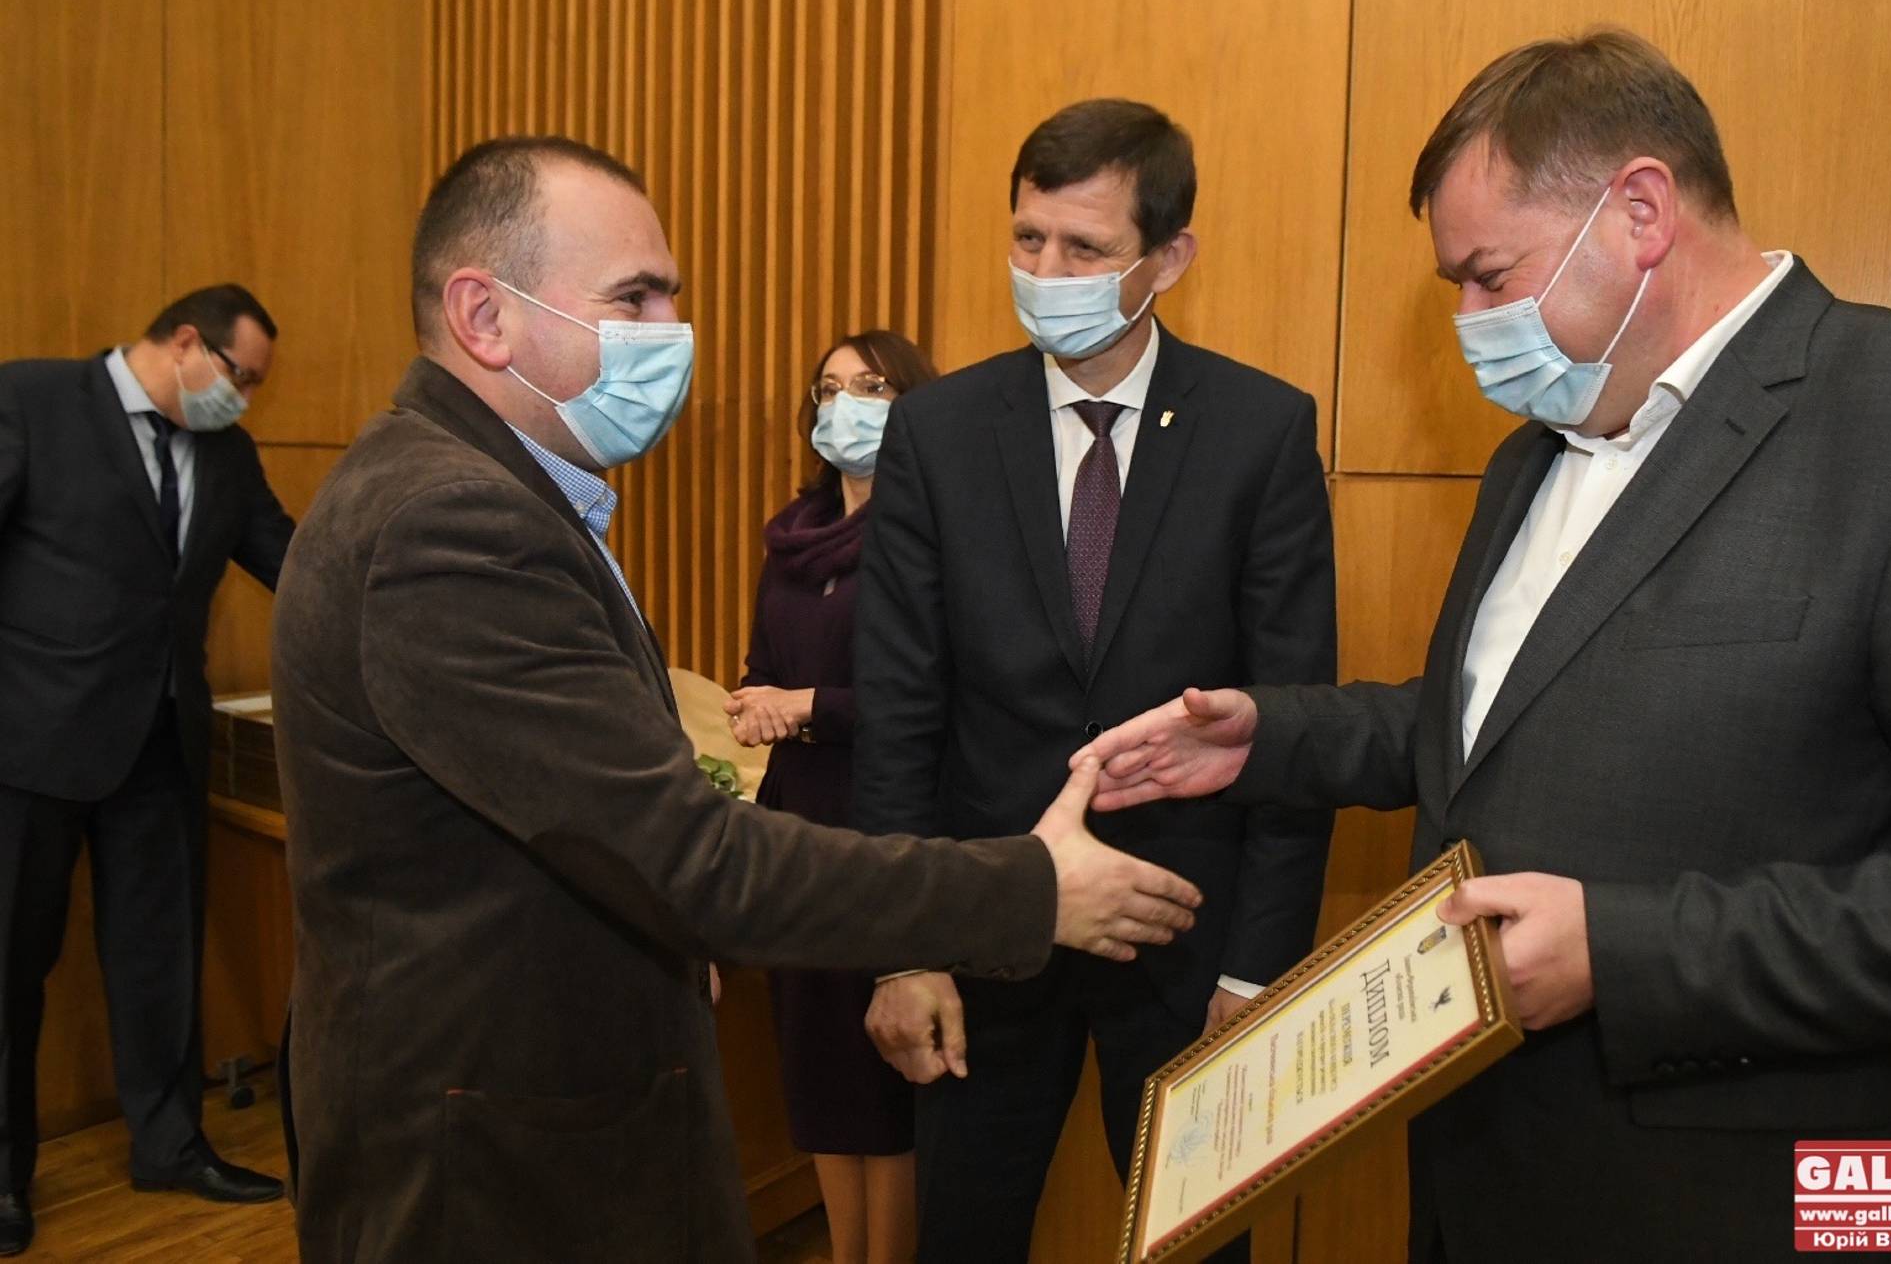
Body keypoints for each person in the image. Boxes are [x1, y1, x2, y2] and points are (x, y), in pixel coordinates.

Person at [1078, 30, 1891, 1263]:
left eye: (1487, 276)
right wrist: (1271, 737)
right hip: (1487, 1168)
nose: (1467, 323)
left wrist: (1624, 953)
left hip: (1737, 1193)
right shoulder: (1538, 449)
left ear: (1639, 212)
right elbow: (1512, 719)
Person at [270, 135, 1202, 1264]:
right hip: (491, 1164)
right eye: (634, 298)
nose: (672, 330)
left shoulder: (488, 491)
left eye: (670, 295)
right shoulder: (448, 524)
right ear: (484, 315)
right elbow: (694, 859)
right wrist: (1030, 887)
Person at [854, 99, 1336, 1263]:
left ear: (1167, 258)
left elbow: (1292, 722)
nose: (1046, 272)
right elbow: (900, 707)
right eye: (1028, 239)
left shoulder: (1260, 432)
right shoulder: (935, 433)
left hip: (1186, 943)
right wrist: (902, 945)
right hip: (984, 932)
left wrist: (1254, 973)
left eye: (1085, 248)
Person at [0, 284, 294, 1255]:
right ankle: (2, 1176)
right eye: (241, 376)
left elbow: (294, 565)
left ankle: (169, 1145)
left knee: (160, 958)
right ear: (185, 341)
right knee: (9, 964)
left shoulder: (227, 453)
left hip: (161, 746)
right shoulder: (33, 402)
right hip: (28, 744)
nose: (244, 398)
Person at [724, 329, 936, 1264]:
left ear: (912, 404)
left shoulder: (927, 536)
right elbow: (762, 667)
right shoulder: (793, 538)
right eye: (830, 387)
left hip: (883, 824)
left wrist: (808, 706)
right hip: (797, 825)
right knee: (814, 1079)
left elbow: (932, 699)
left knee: (879, 1086)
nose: (845, 404)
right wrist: (756, 704)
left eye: (872, 386)